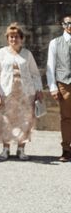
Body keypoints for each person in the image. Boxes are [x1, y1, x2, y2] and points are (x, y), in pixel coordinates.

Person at [0, 23, 43, 160]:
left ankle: (21, 149)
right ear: (7, 38)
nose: (13, 39)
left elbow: (35, 73)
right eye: (11, 37)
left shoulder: (27, 54)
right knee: (6, 121)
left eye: (16, 37)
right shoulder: (1, 53)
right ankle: (5, 149)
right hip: (6, 93)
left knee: (25, 121)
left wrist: (39, 89)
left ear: (21, 38)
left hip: (25, 93)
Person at [46, 15, 71, 162]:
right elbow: (50, 66)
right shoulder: (55, 43)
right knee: (66, 118)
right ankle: (66, 149)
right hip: (64, 84)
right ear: (63, 25)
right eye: (68, 23)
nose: (70, 25)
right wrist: (53, 87)